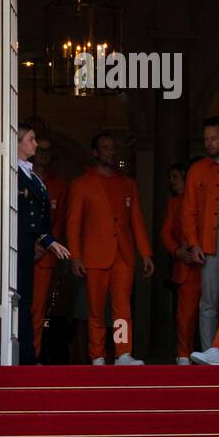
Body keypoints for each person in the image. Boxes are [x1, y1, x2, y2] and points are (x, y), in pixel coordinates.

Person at [66, 132, 154, 365]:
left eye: (112, 147)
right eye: (104, 147)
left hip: (123, 255)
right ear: (95, 152)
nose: (110, 151)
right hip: (94, 256)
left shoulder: (128, 184)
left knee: (123, 308)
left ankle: (123, 353)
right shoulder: (81, 184)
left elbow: (137, 220)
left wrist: (145, 253)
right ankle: (97, 356)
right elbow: (73, 223)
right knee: (95, 310)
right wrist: (75, 256)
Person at [15, 122, 71, 364]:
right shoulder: (13, 172)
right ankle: (24, 357)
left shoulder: (32, 175)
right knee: (21, 301)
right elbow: (26, 213)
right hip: (20, 245)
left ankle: (29, 356)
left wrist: (48, 240)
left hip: (32, 246)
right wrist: (46, 240)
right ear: (17, 142)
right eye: (31, 139)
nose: (35, 145)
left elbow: (43, 213)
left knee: (29, 303)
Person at [185, 117, 219, 365]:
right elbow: (189, 210)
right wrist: (193, 243)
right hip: (210, 241)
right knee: (209, 301)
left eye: (214, 138)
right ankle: (208, 353)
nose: (209, 143)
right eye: (206, 139)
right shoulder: (197, 170)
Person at [29, 129, 70, 359]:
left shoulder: (60, 185)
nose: (44, 155)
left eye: (48, 151)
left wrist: (44, 246)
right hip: (22, 253)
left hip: (45, 257)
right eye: (41, 150)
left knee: (38, 310)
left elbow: (61, 221)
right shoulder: (20, 175)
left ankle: (33, 355)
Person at [160, 162, 201, 365]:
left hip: (206, 263)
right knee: (185, 316)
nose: (171, 181)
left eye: (175, 177)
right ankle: (184, 355)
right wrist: (177, 251)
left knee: (210, 310)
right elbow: (166, 233)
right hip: (185, 266)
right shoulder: (174, 203)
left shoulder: (203, 200)